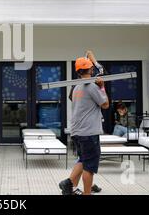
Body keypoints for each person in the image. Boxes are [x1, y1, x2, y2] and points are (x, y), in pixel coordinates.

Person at [59, 57, 109, 195]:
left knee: (83, 159)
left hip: (77, 131)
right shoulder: (91, 86)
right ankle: (85, 192)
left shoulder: (76, 87)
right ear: (91, 69)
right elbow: (105, 104)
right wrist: (102, 87)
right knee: (89, 166)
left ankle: (68, 184)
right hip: (89, 132)